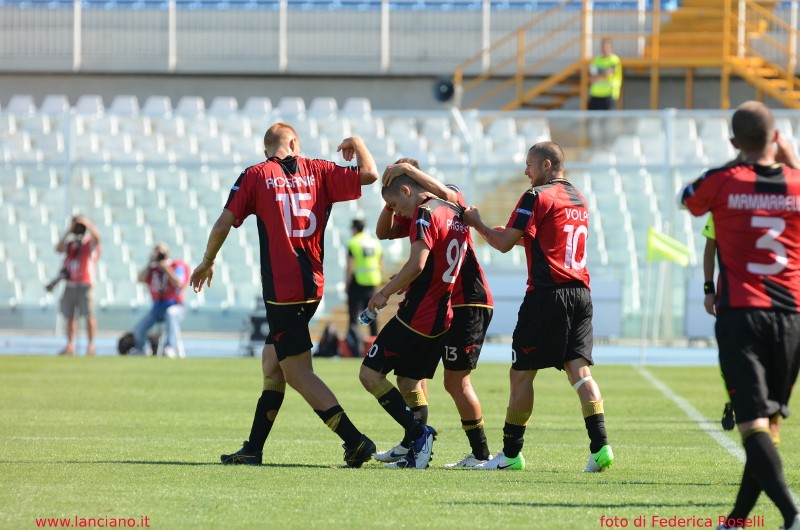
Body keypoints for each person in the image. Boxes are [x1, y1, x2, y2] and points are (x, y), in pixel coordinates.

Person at [190, 123, 379, 468]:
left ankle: (355, 440)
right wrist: (357, 141)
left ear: (267, 150)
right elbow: (369, 175)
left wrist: (207, 262)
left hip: (282, 291)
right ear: (294, 143)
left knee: (297, 372)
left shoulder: (256, 175)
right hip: (312, 286)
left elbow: (222, 224)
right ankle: (253, 449)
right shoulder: (320, 170)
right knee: (272, 363)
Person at [680, 101, 800, 530]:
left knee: (751, 424)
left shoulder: (724, 181)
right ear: (775, 139)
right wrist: (785, 158)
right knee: (765, 425)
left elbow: (687, 198)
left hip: (744, 315)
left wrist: (740, 158)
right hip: (791, 319)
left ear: (734, 142)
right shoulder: (796, 183)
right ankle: (737, 521)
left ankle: (791, 514)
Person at [462, 141, 613, 472]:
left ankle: (511, 455)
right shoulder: (578, 198)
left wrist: (477, 223)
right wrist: (515, 236)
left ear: (546, 165)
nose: (525, 171)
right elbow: (548, 239)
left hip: (548, 295)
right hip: (581, 294)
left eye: (529, 164)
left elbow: (501, 245)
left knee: (520, 375)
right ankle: (601, 447)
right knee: (580, 372)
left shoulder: (536, 196)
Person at [372, 160, 494, 468]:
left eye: (396, 202)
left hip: (467, 301)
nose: (396, 210)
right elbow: (383, 232)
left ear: (412, 184)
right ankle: (413, 442)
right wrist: (390, 204)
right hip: (445, 302)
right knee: (409, 376)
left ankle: (481, 455)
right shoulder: (418, 213)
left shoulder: (444, 202)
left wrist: (410, 174)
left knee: (455, 382)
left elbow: (444, 196)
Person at [358, 172, 470, 469]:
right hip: (442, 316)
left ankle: (420, 434)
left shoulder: (424, 213)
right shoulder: (453, 207)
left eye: (395, 204)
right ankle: (415, 451)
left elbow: (418, 264)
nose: (397, 212)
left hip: (416, 315)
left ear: (407, 190)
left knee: (369, 375)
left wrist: (383, 294)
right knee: (409, 382)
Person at [701, 214, 736, 431]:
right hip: (728, 295)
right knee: (728, 355)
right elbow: (709, 247)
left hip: (763, 295)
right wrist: (709, 289)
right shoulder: (723, 205)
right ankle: (732, 400)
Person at [52, 214, 101, 356]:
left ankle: (91, 346)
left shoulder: (88, 243)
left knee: (89, 316)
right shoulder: (70, 244)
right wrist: (69, 231)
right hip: (71, 284)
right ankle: (70, 345)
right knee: (70, 317)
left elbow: (98, 239)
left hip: (86, 283)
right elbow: (58, 249)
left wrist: (87, 224)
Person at [132, 243, 189, 358]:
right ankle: (142, 349)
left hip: (176, 306)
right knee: (138, 329)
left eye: (162, 252)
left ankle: (169, 347)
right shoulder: (153, 269)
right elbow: (139, 279)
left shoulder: (177, 265)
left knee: (171, 313)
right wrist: (150, 263)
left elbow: (179, 283)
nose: (159, 254)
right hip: (157, 309)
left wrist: (166, 268)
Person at [346, 218, 383, 337]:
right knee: (372, 312)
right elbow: (381, 263)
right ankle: (374, 340)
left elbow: (350, 266)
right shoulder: (375, 242)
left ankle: (353, 342)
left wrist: (347, 284)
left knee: (353, 314)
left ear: (355, 229)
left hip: (357, 281)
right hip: (372, 281)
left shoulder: (353, 242)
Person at [588, 38, 622, 111]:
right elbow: (592, 78)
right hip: (595, 94)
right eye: (603, 47)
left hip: (609, 95)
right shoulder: (597, 60)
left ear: (610, 48)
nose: (605, 49)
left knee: (606, 120)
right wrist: (602, 75)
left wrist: (598, 75)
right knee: (591, 119)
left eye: (607, 47)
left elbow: (608, 74)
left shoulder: (614, 60)